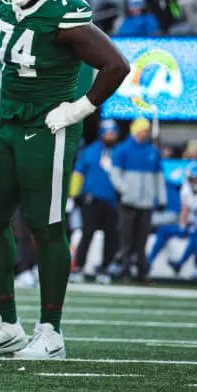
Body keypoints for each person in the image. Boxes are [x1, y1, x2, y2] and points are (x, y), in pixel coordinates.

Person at [0, 0, 130, 360]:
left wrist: (79, 109)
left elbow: (116, 66)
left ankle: (51, 331)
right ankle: (6, 324)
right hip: (7, 124)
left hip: (48, 127)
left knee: (46, 226)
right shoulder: (10, 5)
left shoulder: (64, 13)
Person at [107, 118, 165, 283]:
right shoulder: (123, 149)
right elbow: (115, 175)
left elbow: (158, 178)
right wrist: (126, 191)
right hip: (128, 202)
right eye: (143, 130)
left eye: (147, 130)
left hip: (146, 202)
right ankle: (125, 272)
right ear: (135, 131)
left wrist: (161, 198)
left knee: (142, 241)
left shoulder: (153, 152)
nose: (145, 133)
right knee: (126, 240)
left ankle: (142, 272)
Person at [69, 118, 121, 283]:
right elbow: (78, 174)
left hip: (112, 201)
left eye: (114, 133)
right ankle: (78, 267)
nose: (112, 136)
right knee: (87, 234)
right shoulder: (90, 151)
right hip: (90, 200)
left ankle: (104, 269)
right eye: (109, 132)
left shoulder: (119, 153)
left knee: (111, 236)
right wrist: (72, 195)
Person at [149, 163, 197, 273]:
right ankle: (149, 262)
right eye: (192, 179)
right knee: (163, 231)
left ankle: (184, 263)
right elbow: (184, 210)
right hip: (191, 224)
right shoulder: (186, 190)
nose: (195, 181)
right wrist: (182, 225)